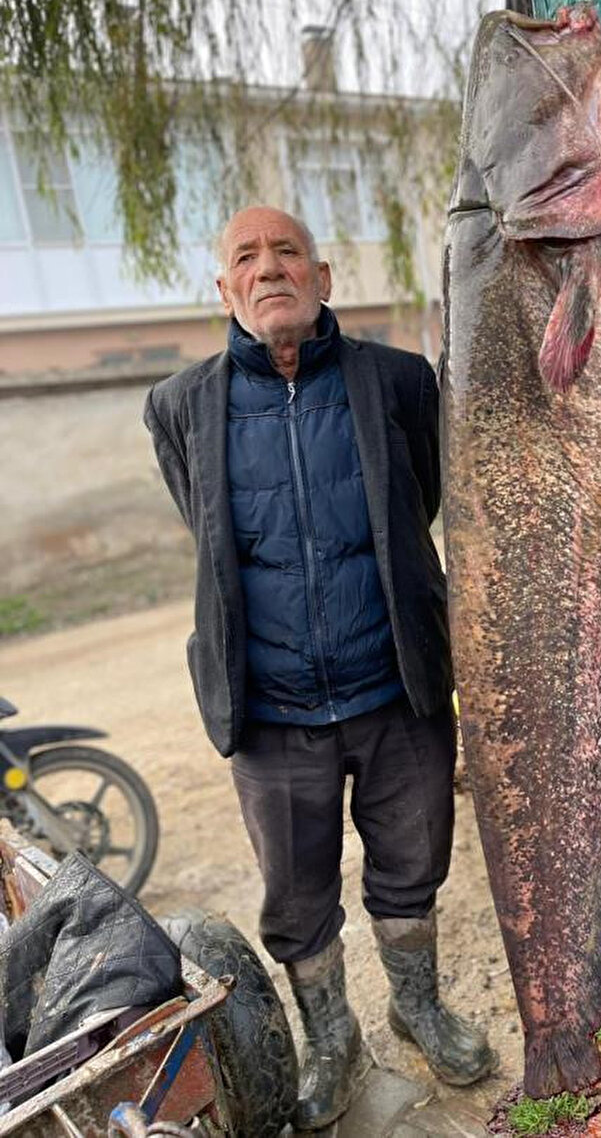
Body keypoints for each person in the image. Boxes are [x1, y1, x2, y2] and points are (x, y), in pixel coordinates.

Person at [144, 205, 497, 1129]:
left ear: (323, 276)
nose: (269, 269)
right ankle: (333, 1040)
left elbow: (420, 502)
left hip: (396, 689)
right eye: (247, 258)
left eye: (287, 252)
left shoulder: (401, 382)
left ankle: (418, 1007)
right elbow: (210, 533)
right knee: (297, 898)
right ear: (224, 289)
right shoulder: (180, 406)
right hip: (272, 709)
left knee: (412, 865)